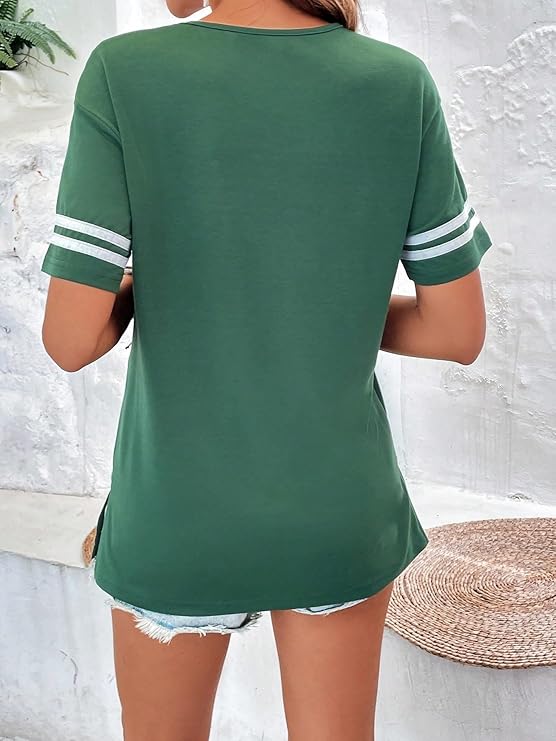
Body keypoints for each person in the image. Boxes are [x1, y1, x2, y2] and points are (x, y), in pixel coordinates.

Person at [39, 0, 493, 737]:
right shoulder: (399, 82)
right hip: (339, 510)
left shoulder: (125, 73)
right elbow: (457, 330)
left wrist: (160, 291)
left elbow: (71, 339)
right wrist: (326, 310)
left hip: (176, 513)